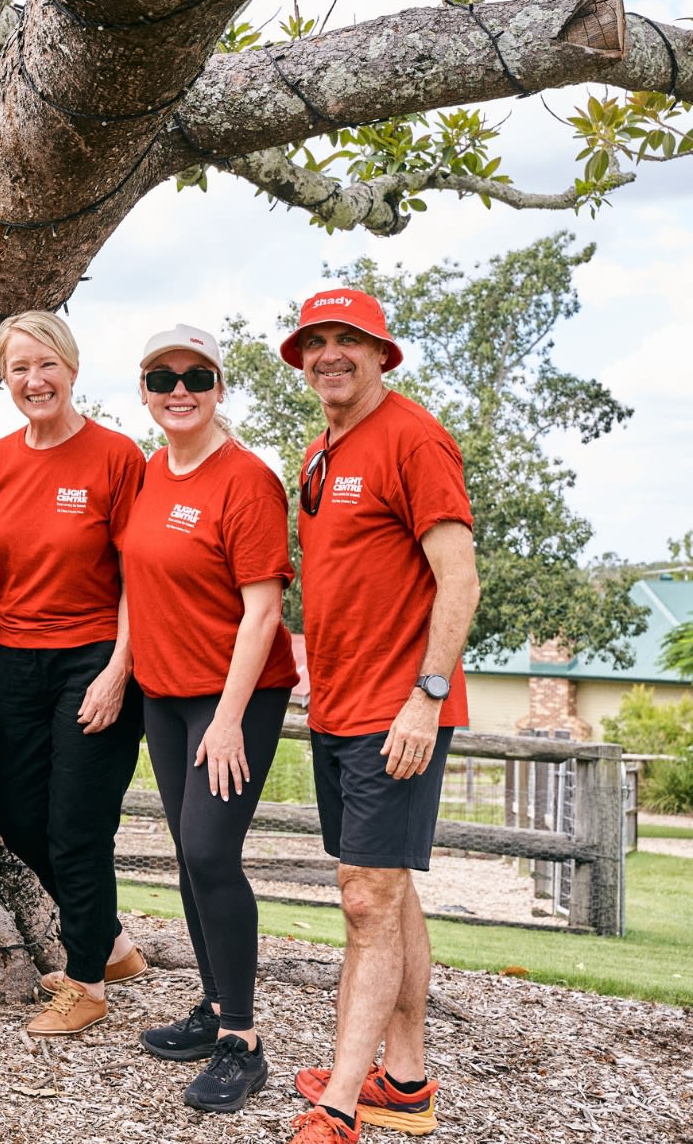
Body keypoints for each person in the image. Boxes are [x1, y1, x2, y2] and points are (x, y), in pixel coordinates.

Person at [278, 289, 479, 1144]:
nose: (329, 354)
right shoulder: (320, 453)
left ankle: (339, 1104)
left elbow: (459, 578)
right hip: (340, 706)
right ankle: (404, 1079)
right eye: (314, 341)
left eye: (348, 340)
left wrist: (426, 698)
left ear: (382, 354)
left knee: (365, 897)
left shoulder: (414, 438)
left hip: (398, 713)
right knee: (387, 896)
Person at [123, 325, 299, 1113]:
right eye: (163, 378)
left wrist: (227, 720)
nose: (179, 390)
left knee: (209, 850)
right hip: (165, 692)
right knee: (191, 859)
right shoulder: (153, 472)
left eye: (196, 376)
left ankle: (243, 1039)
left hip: (237, 697)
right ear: (146, 393)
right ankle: (212, 1005)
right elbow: (140, 582)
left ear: (220, 387)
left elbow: (263, 613)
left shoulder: (248, 480)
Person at [0, 310, 147, 1039]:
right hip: (15, 657)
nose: (34, 380)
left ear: (71, 369)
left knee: (77, 827)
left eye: (46, 365)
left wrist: (117, 671)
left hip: (95, 656)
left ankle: (85, 982)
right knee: (16, 817)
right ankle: (108, 943)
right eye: (19, 368)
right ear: (5, 378)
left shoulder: (116, 456)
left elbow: (143, 575)